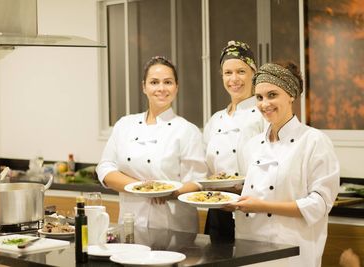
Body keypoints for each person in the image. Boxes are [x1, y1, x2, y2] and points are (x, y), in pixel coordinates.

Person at [226, 62, 340, 267]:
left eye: (272, 95)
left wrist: (264, 206)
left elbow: (319, 204)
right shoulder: (251, 145)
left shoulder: (314, 141)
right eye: (259, 97)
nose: (264, 103)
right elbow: (248, 191)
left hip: (294, 249)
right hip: (250, 247)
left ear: (291, 95)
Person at [97, 56, 207, 233]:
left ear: (176, 87)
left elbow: (198, 181)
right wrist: (141, 188)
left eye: (168, 82)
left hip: (174, 225)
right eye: (154, 82)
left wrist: (169, 193)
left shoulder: (187, 130)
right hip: (130, 222)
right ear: (144, 87)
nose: (161, 88)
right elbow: (105, 168)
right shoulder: (125, 125)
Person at [203, 40, 265, 239]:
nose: (234, 79)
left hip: (253, 205)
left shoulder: (264, 114)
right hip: (217, 204)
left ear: (254, 73)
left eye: (241, 71)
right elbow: (205, 166)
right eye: (228, 72)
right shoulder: (215, 119)